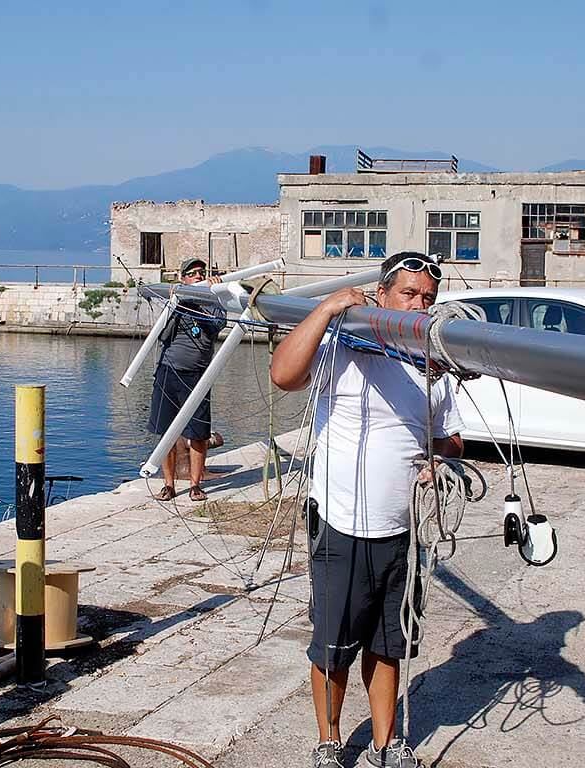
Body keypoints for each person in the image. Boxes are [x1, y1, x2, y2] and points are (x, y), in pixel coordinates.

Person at [270, 252, 464, 768]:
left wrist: (436, 458)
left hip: (404, 529)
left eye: (427, 298)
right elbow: (284, 374)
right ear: (382, 294)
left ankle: (385, 745)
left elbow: (453, 438)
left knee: (389, 643)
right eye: (409, 294)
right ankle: (329, 742)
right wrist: (328, 308)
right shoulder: (342, 344)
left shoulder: (433, 363)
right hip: (341, 521)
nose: (419, 305)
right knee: (332, 644)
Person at [148, 258, 225, 501]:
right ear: (183, 279)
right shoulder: (175, 302)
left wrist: (203, 299)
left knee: (198, 433)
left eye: (202, 272)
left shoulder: (213, 301)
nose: (199, 276)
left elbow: (217, 326)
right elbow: (162, 333)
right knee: (167, 433)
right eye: (192, 274)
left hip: (198, 375)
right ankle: (169, 485)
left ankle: (195, 485)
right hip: (168, 372)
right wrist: (178, 301)